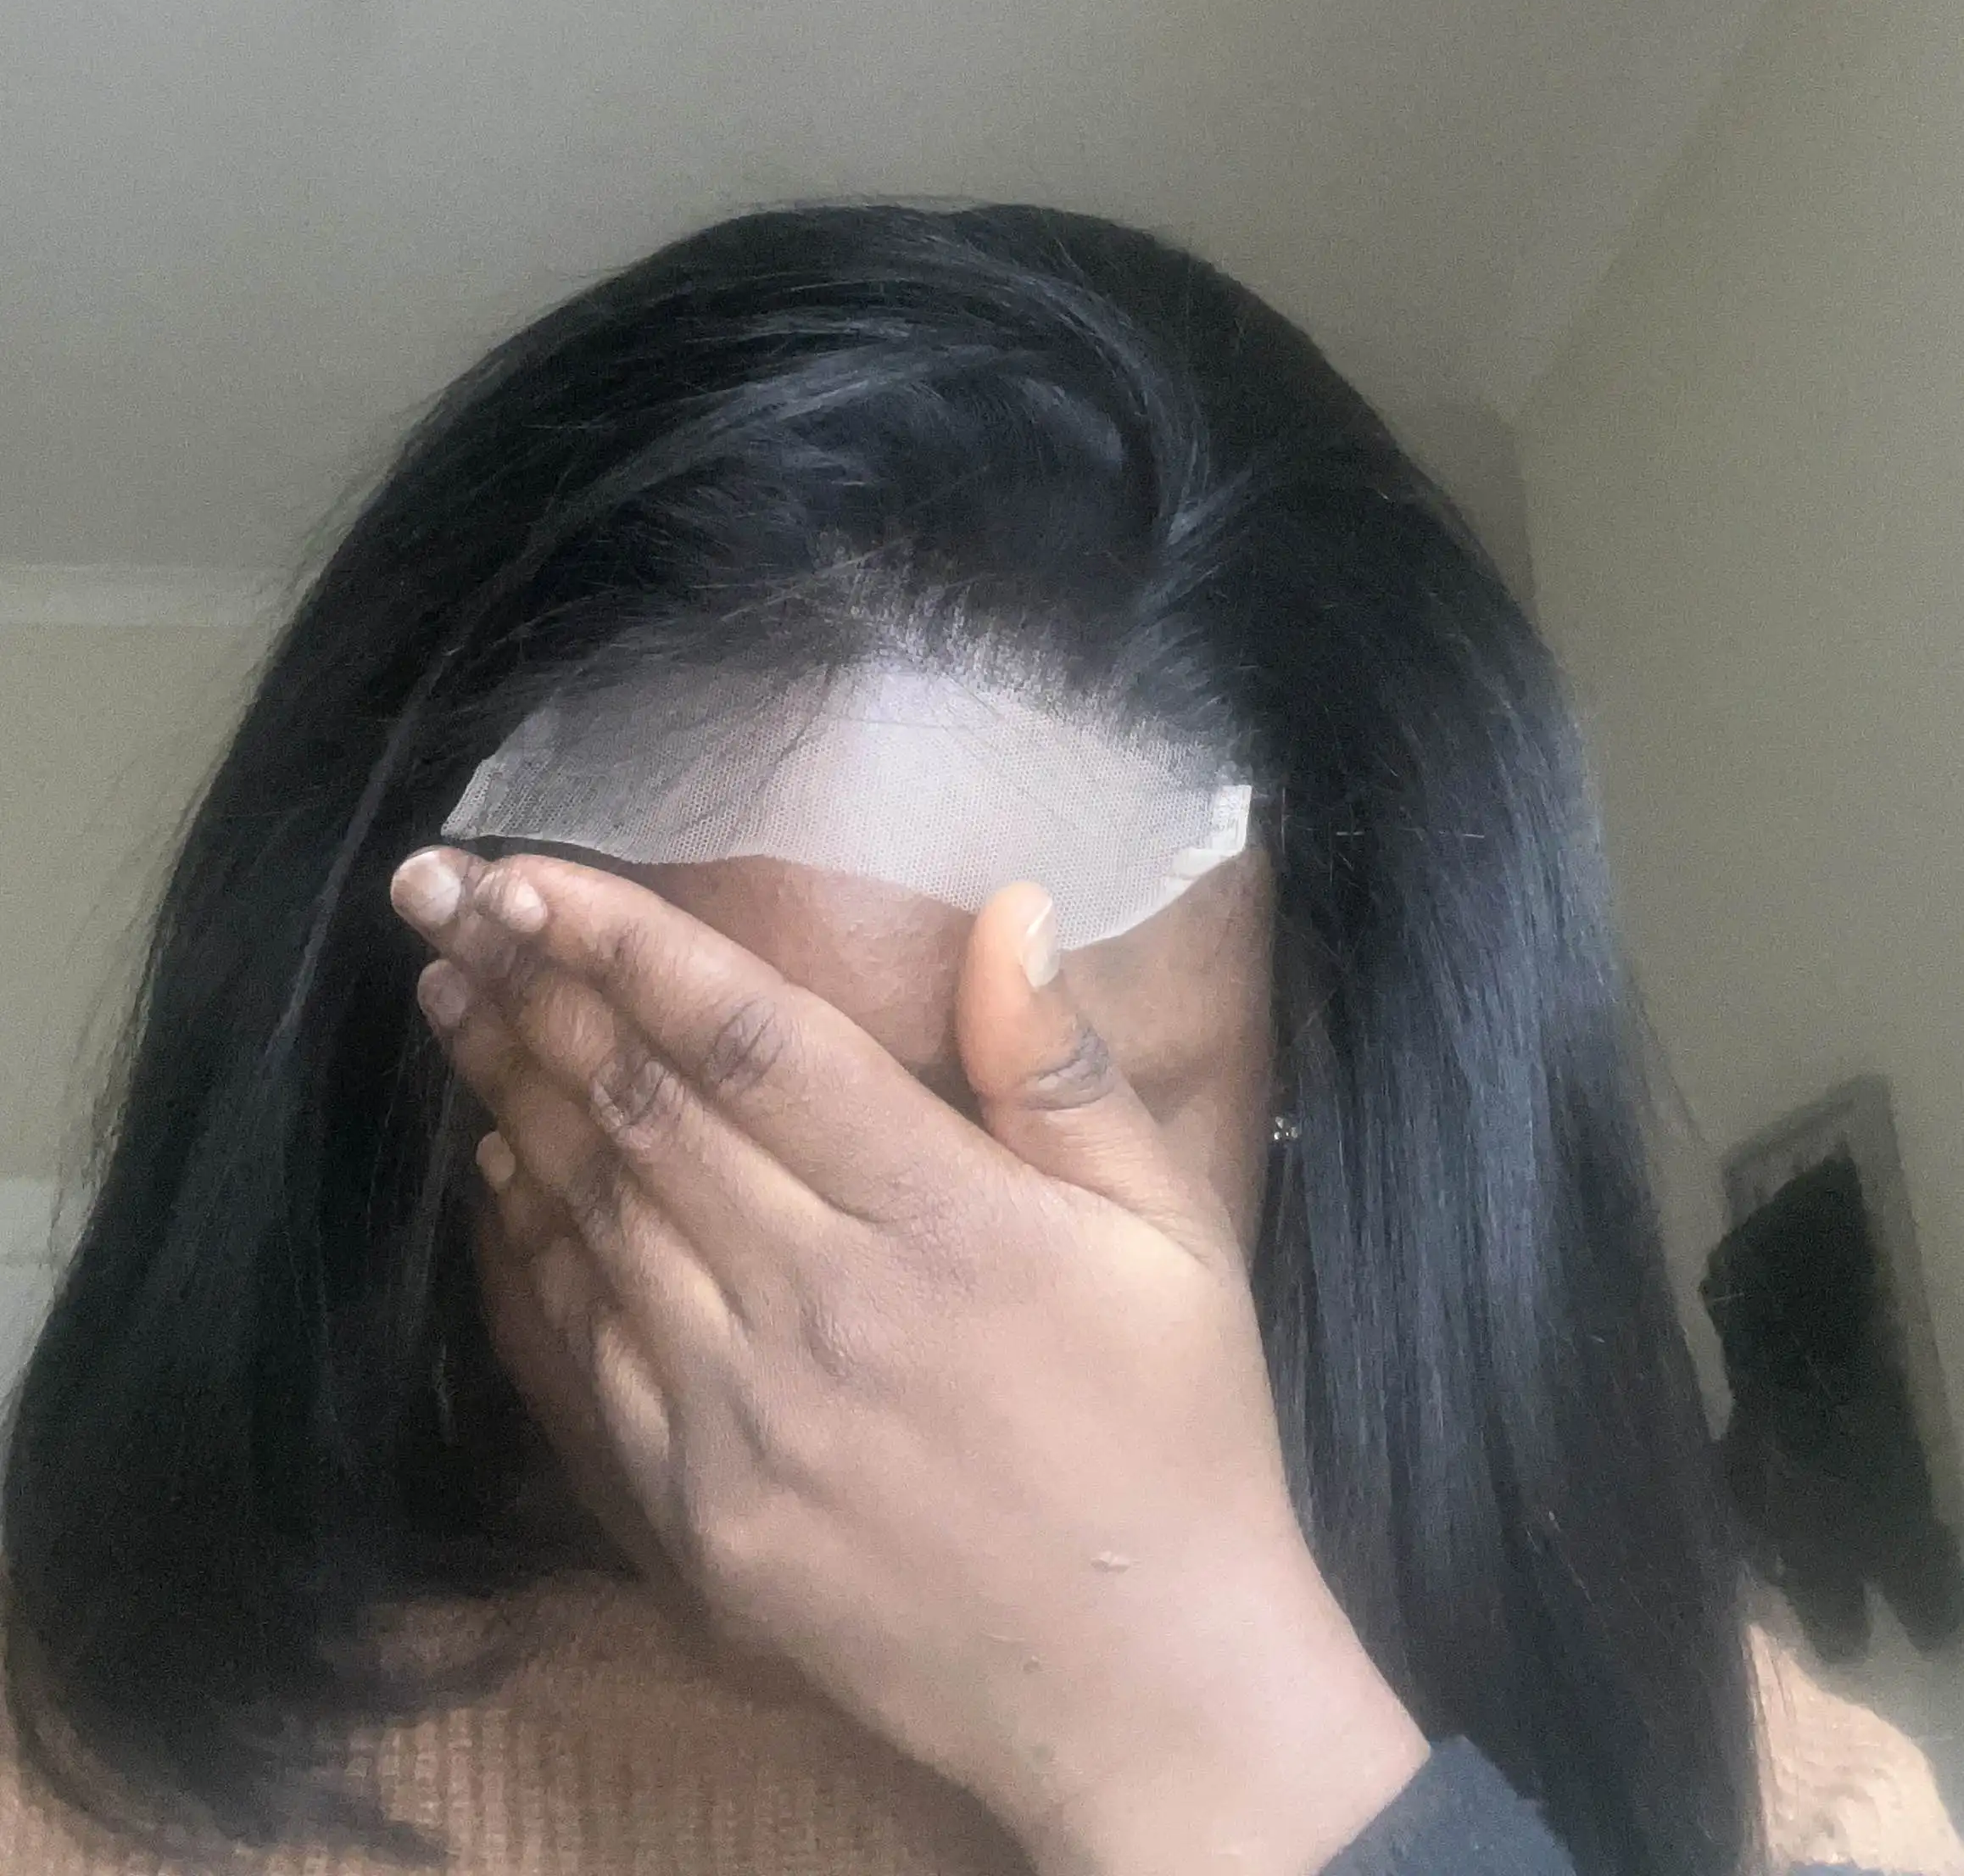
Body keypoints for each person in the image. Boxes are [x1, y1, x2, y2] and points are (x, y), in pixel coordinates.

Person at [1, 204, 1955, 1876]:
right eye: (664, 1100)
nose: (835, 1314)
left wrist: (1203, 1715)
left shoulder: (1772, 1788)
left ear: (1300, 1097)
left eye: (991, 1124)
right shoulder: (69, 1777)